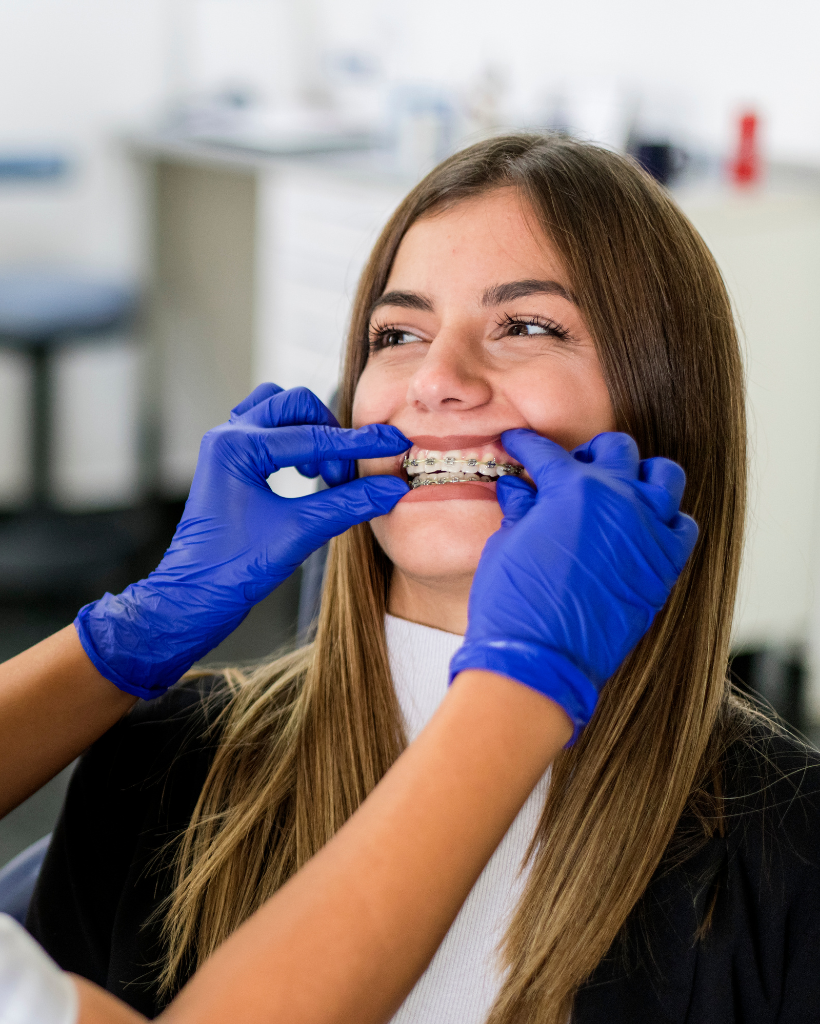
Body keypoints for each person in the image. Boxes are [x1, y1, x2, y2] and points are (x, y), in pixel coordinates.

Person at [25, 132, 820, 1024]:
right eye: (396, 334)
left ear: (666, 409)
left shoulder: (790, 847)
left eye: (526, 326)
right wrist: (135, 629)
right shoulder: (157, 768)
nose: (436, 381)